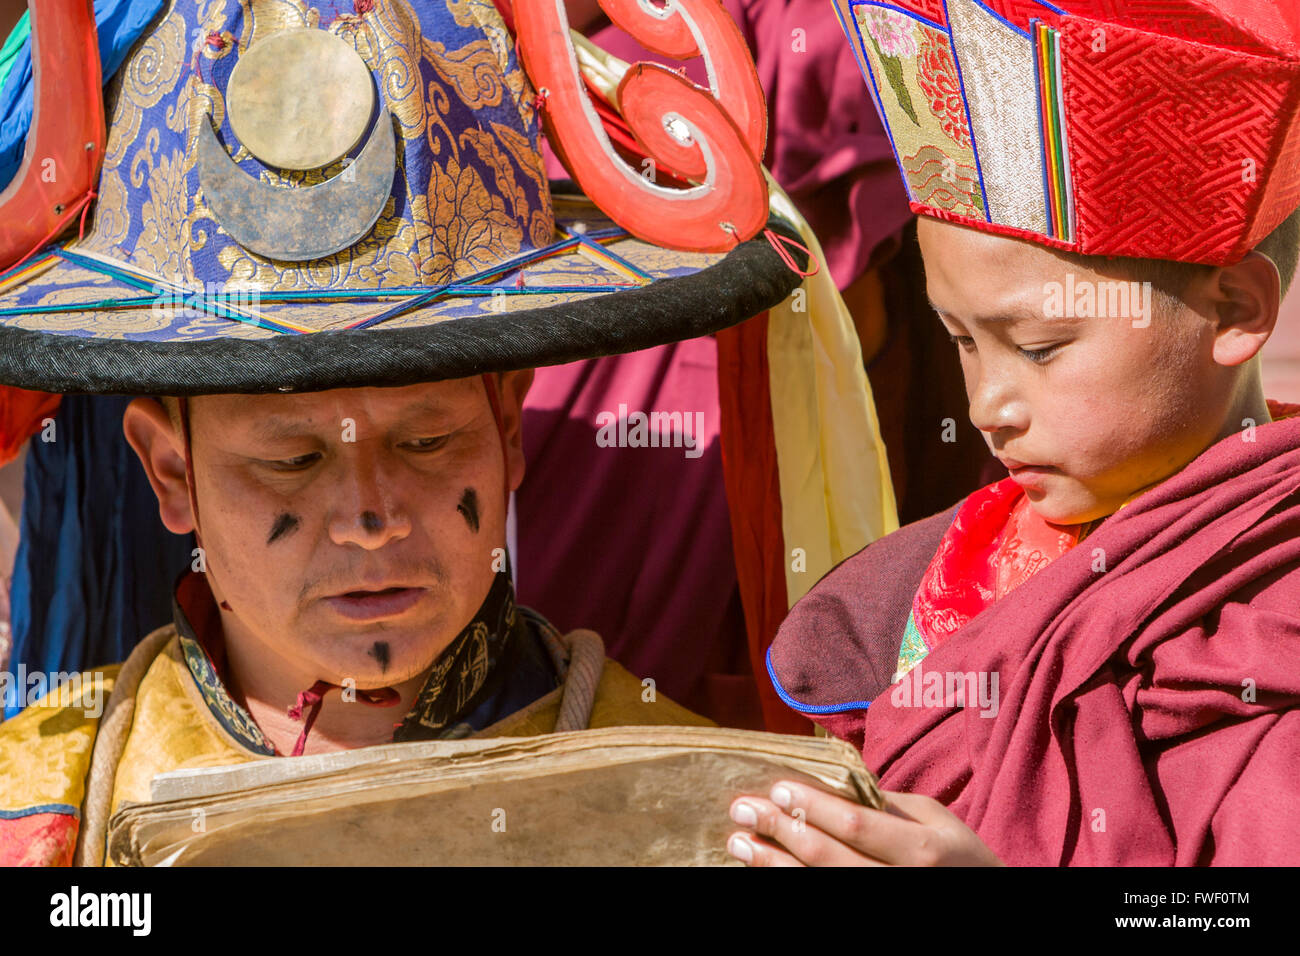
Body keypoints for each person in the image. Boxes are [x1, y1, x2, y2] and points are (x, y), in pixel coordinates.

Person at [0, 0, 806, 866]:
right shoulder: (37, 807)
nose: (367, 515)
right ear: (169, 472)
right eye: (291, 459)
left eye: (426, 442)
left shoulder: (707, 818)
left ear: (506, 429)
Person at [730, 0, 1300, 865]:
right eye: (961, 341)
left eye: (1039, 347)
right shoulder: (919, 592)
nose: (989, 403)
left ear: (1235, 309)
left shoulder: (1276, 606)